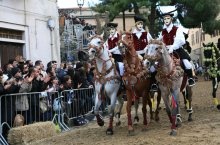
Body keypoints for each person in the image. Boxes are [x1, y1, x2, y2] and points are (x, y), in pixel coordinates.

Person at [158, 13, 195, 87]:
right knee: (156, 64)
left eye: (168, 18)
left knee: (186, 62)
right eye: (164, 19)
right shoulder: (162, 31)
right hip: (165, 51)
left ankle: (190, 78)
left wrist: (173, 47)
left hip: (177, 50)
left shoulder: (177, 29)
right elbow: (159, 41)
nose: (166, 20)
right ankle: (155, 83)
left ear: (171, 19)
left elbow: (181, 40)